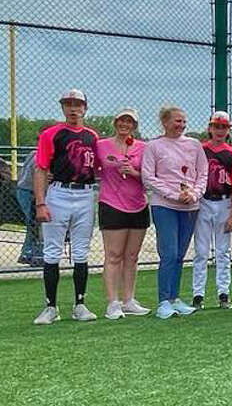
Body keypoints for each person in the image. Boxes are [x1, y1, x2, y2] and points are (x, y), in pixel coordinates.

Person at [32, 89, 100, 325]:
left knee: (81, 252)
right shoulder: (52, 134)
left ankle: (80, 304)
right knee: (52, 252)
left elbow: (99, 166)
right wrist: (40, 202)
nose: (73, 108)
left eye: (78, 104)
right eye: (69, 104)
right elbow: (40, 168)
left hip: (85, 194)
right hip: (59, 193)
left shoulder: (92, 136)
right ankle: (51, 307)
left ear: (85, 107)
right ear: (62, 107)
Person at [142, 106, 208, 319]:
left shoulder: (194, 145)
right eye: (176, 121)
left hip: (190, 207)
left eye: (183, 121)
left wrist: (195, 194)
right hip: (164, 206)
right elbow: (149, 178)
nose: (180, 125)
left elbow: (203, 174)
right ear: (165, 122)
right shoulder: (154, 146)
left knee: (180, 255)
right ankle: (163, 301)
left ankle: (174, 298)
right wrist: (173, 194)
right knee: (168, 253)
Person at [96, 108, 151, 319]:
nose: (124, 124)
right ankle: (113, 303)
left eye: (129, 121)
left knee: (131, 256)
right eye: (121, 120)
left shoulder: (143, 148)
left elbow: (149, 178)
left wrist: (134, 172)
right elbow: (92, 169)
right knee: (113, 255)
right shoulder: (101, 146)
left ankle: (129, 300)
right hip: (111, 205)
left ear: (134, 126)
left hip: (138, 205)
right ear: (115, 122)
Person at [191, 111, 232, 310]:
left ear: (228, 130)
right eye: (216, 126)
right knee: (201, 251)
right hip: (203, 201)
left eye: (223, 127)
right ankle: (198, 294)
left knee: (223, 251)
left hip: (224, 202)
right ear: (210, 128)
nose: (219, 130)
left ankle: (223, 293)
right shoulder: (199, 150)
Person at [14, 151, 43, 267]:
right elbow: (36, 175)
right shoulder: (37, 155)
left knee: (33, 224)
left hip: (26, 190)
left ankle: (28, 253)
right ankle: (31, 253)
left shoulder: (34, 153)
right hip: (27, 191)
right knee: (34, 224)